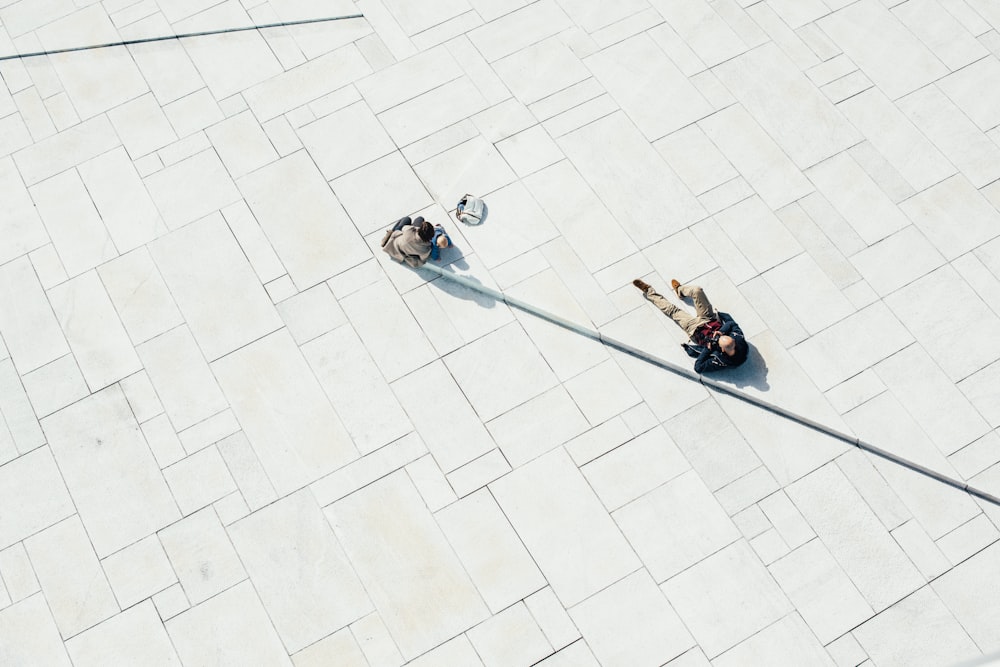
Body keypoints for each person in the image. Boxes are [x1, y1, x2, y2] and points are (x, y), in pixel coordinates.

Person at [633, 278, 748, 373]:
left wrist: (708, 349)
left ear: (722, 349)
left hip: (695, 330)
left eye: (719, 340)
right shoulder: (739, 341)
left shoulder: (721, 360)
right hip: (709, 318)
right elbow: (731, 324)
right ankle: (680, 290)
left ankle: (648, 291)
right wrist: (721, 331)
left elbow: (698, 368)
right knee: (697, 291)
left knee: (671, 310)